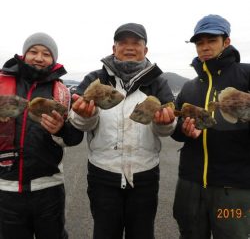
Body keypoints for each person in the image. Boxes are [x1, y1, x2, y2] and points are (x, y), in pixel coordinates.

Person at [69, 23, 176, 239]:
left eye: (136, 42)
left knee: (142, 233)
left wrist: (165, 123)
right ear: (113, 48)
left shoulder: (158, 82)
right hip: (103, 174)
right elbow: (80, 122)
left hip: (144, 175)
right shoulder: (95, 79)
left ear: (145, 50)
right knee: (105, 233)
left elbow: (167, 129)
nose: (129, 47)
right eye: (122, 42)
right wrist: (83, 115)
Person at [171, 14, 250, 239]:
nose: (204, 47)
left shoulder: (246, 74)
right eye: (200, 43)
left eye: (211, 40)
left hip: (234, 187)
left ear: (226, 42)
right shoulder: (189, 87)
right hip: (190, 184)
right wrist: (183, 131)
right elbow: (177, 132)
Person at [0, 32, 84, 239]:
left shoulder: (62, 92)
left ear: (53, 59)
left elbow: (74, 137)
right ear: (24, 54)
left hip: (49, 187)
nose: (39, 57)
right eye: (33, 52)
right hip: (6, 186)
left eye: (46, 54)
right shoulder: (2, 83)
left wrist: (61, 129)